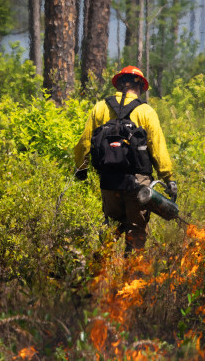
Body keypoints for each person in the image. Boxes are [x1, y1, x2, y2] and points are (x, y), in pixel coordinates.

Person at [74, 66, 177, 253]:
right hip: (138, 184)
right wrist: (168, 178)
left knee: (110, 230)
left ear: (119, 84)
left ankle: (99, 273)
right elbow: (158, 148)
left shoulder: (100, 108)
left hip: (108, 182)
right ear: (140, 86)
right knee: (136, 232)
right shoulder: (146, 111)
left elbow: (84, 143)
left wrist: (81, 168)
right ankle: (131, 278)